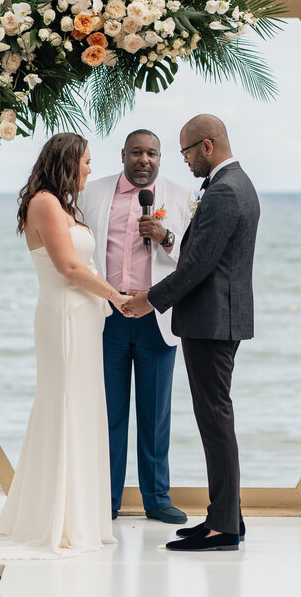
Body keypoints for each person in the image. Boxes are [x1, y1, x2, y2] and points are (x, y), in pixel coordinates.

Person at [124, 114, 260, 553]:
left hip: (212, 321)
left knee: (215, 421)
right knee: (215, 419)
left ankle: (223, 528)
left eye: (184, 152)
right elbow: (202, 253)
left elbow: (199, 265)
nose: (182, 161)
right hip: (218, 319)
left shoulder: (224, 191)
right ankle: (226, 518)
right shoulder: (235, 184)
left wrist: (149, 299)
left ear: (206, 146)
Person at [0, 132, 129, 554]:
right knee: (66, 403)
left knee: (83, 405)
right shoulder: (45, 203)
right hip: (65, 315)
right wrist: (116, 296)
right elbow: (69, 266)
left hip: (83, 316)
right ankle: (60, 518)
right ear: (68, 162)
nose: (90, 168)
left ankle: (81, 512)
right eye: (86, 161)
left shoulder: (63, 205)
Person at [79, 129, 194, 524]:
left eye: (152, 153)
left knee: (155, 413)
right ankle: (104, 500)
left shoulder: (180, 197)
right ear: (123, 155)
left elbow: (193, 258)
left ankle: (157, 498)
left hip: (156, 317)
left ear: (161, 158)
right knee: (107, 413)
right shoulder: (91, 194)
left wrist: (167, 237)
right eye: (137, 153)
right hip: (107, 314)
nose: (144, 160)